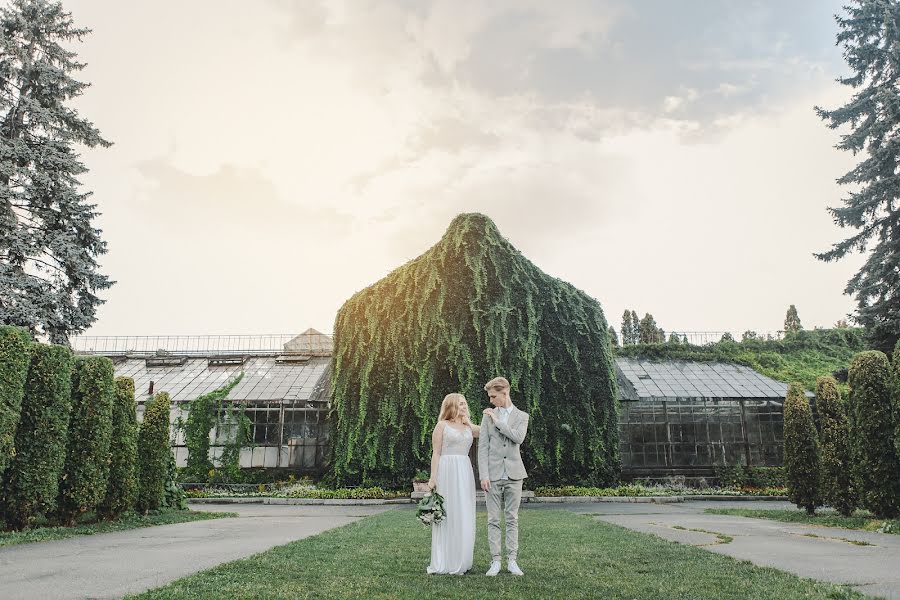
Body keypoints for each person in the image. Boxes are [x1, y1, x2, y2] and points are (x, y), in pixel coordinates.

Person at [478, 376, 529, 576]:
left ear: (504, 393)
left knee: (512, 518)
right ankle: (496, 561)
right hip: (492, 475)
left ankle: (512, 560)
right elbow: (482, 447)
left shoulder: (522, 416)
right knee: (492, 519)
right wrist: (484, 474)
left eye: (493, 396)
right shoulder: (486, 416)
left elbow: (518, 438)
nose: (491, 401)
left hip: (515, 474)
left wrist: (498, 421)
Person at [426, 393, 480, 575]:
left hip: (464, 470)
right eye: (460, 404)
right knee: (447, 513)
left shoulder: (468, 427)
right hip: (446, 470)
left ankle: (462, 559)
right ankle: (444, 560)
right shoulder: (442, 426)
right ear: (451, 406)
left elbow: (484, 432)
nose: (464, 407)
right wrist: (433, 478)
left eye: (465, 403)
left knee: (463, 511)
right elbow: (436, 453)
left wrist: (469, 421)